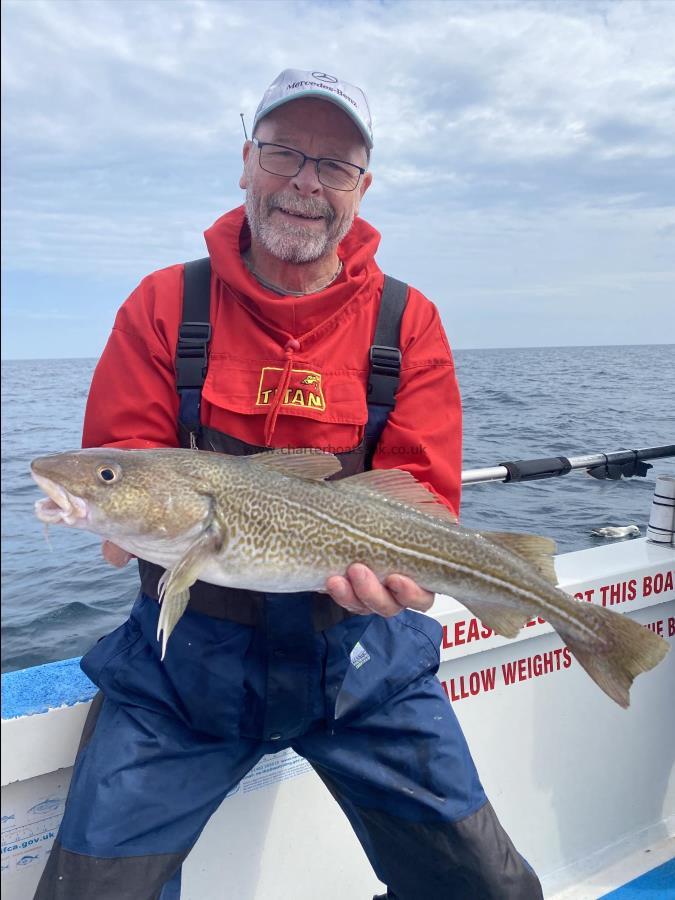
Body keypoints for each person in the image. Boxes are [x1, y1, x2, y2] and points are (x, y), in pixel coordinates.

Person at [35, 69, 543, 900]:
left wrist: (400, 579)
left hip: (363, 663)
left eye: (333, 165)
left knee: (486, 889)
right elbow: (121, 460)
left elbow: (420, 492)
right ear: (246, 161)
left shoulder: (405, 322)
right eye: (283, 153)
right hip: (184, 665)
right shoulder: (165, 306)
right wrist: (103, 501)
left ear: (360, 187)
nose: (305, 182)